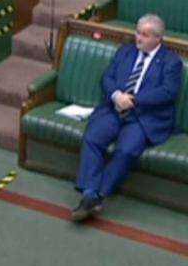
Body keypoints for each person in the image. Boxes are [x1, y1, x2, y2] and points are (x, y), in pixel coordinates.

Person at [72, 14, 182, 222]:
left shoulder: (170, 62)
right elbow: (107, 78)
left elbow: (168, 92)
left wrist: (134, 100)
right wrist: (116, 95)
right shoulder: (125, 51)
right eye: (138, 33)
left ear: (158, 38)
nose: (139, 38)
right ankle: (89, 194)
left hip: (144, 117)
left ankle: (97, 193)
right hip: (115, 109)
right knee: (92, 138)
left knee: (127, 149)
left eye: (145, 35)